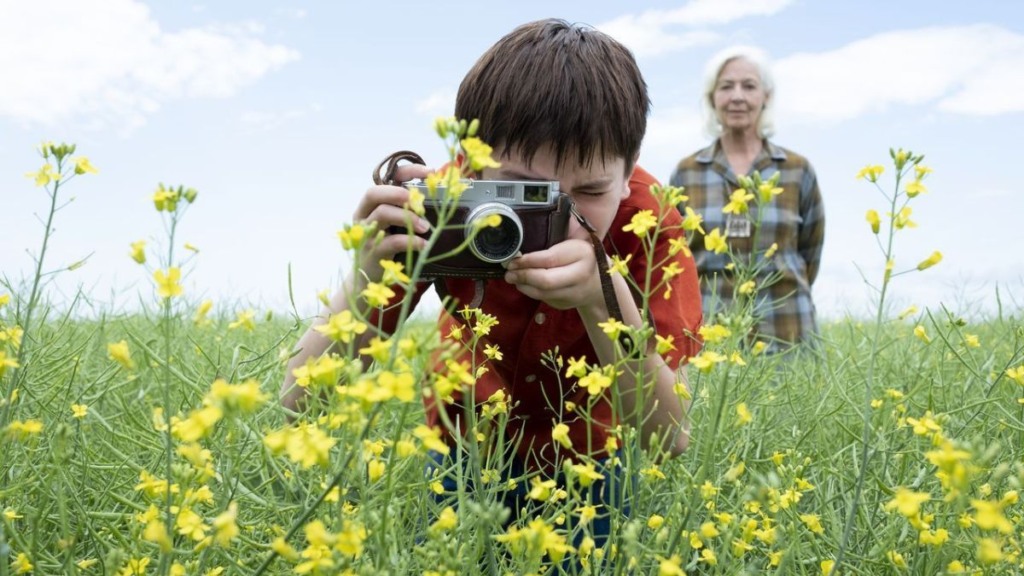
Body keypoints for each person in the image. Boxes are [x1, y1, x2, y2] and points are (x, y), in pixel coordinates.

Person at [281, 18, 703, 556]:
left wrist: (605, 296)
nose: (561, 215)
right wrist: (367, 275)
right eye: (524, 192)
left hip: (593, 456)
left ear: (630, 173)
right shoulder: (442, 205)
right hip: (465, 444)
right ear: (471, 164)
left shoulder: (652, 218)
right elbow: (301, 398)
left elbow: (667, 437)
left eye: (592, 191)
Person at [669, 45, 825, 352]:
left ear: (766, 96)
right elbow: (675, 254)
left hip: (787, 333)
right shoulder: (686, 173)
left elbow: (810, 256)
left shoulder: (796, 170)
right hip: (710, 337)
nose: (737, 96)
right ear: (712, 98)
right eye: (726, 86)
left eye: (749, 86)